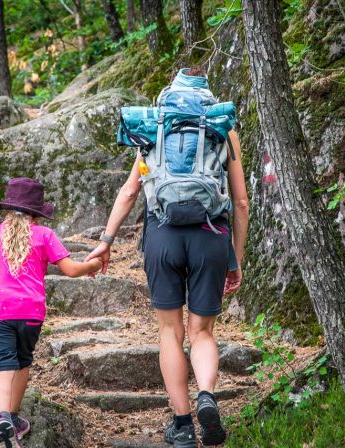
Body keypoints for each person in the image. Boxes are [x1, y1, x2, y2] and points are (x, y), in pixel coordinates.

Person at [85, 69, 248, 448]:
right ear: (207, 95)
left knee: (170, 332)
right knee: (202, 332)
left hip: (162, 235)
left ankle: (182, 426)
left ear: (169, 94)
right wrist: (234, 258)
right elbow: (240, 201)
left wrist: (106, 240)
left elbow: (129, 192)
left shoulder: (154, 127)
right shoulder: (223, 127)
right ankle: (207, 396)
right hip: (211, 235)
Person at [0, 178, 102, 448]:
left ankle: (3, 418)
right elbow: (69, 269)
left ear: (8, 208)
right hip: (30, 311)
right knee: (22, 362)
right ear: (36, 211)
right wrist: (94, 263)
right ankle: (15, 419)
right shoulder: (44, 235)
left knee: (1, 366)